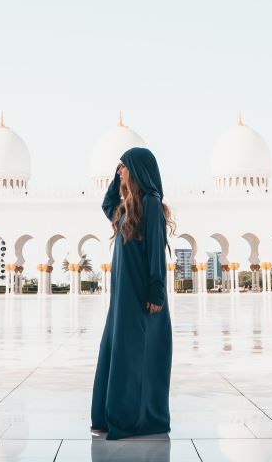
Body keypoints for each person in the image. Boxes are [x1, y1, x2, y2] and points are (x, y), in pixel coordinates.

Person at [91, 147, 175, 440]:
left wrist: (156, 290)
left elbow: (155, 251)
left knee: (135, 354)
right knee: (116, 350)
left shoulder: (151, 204)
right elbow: (106, 205)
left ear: (137, 170)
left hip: (140, 294)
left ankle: (133, 418)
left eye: (124, 167)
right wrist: (116, 180)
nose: (121, 171)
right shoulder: (126, 208)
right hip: (122, 296)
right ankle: (105, 416)